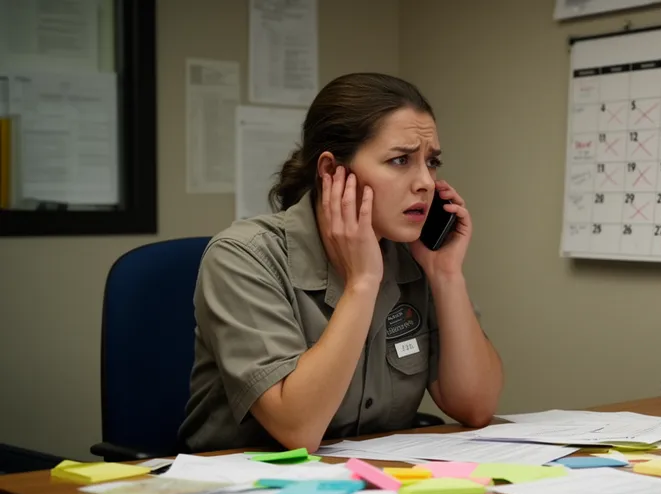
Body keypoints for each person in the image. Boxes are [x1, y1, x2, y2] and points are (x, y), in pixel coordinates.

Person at [178, 73, 504, 453]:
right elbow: (298, 431)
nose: (426, 183)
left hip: (371, 489)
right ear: (332, 170)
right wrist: (362, 282)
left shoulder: (413, 257)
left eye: (431, 162)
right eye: (400, 160)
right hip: (239, 492)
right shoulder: (243, 256)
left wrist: (445, 274)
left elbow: (476, 406)